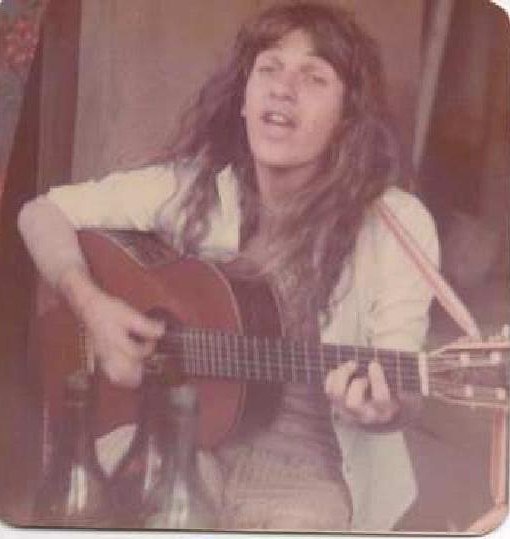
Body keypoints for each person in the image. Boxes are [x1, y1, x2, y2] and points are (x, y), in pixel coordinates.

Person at [18, 1, 439, 532]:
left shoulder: (394, 223)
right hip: (178, 439)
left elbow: (403, 376)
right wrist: (93, 307)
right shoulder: (196, 189)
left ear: (347, 117)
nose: (283, 88)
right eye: (269, 68)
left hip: (306, 476)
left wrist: (388, 408)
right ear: (243, 99)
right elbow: (41, 213)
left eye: (314, 77)